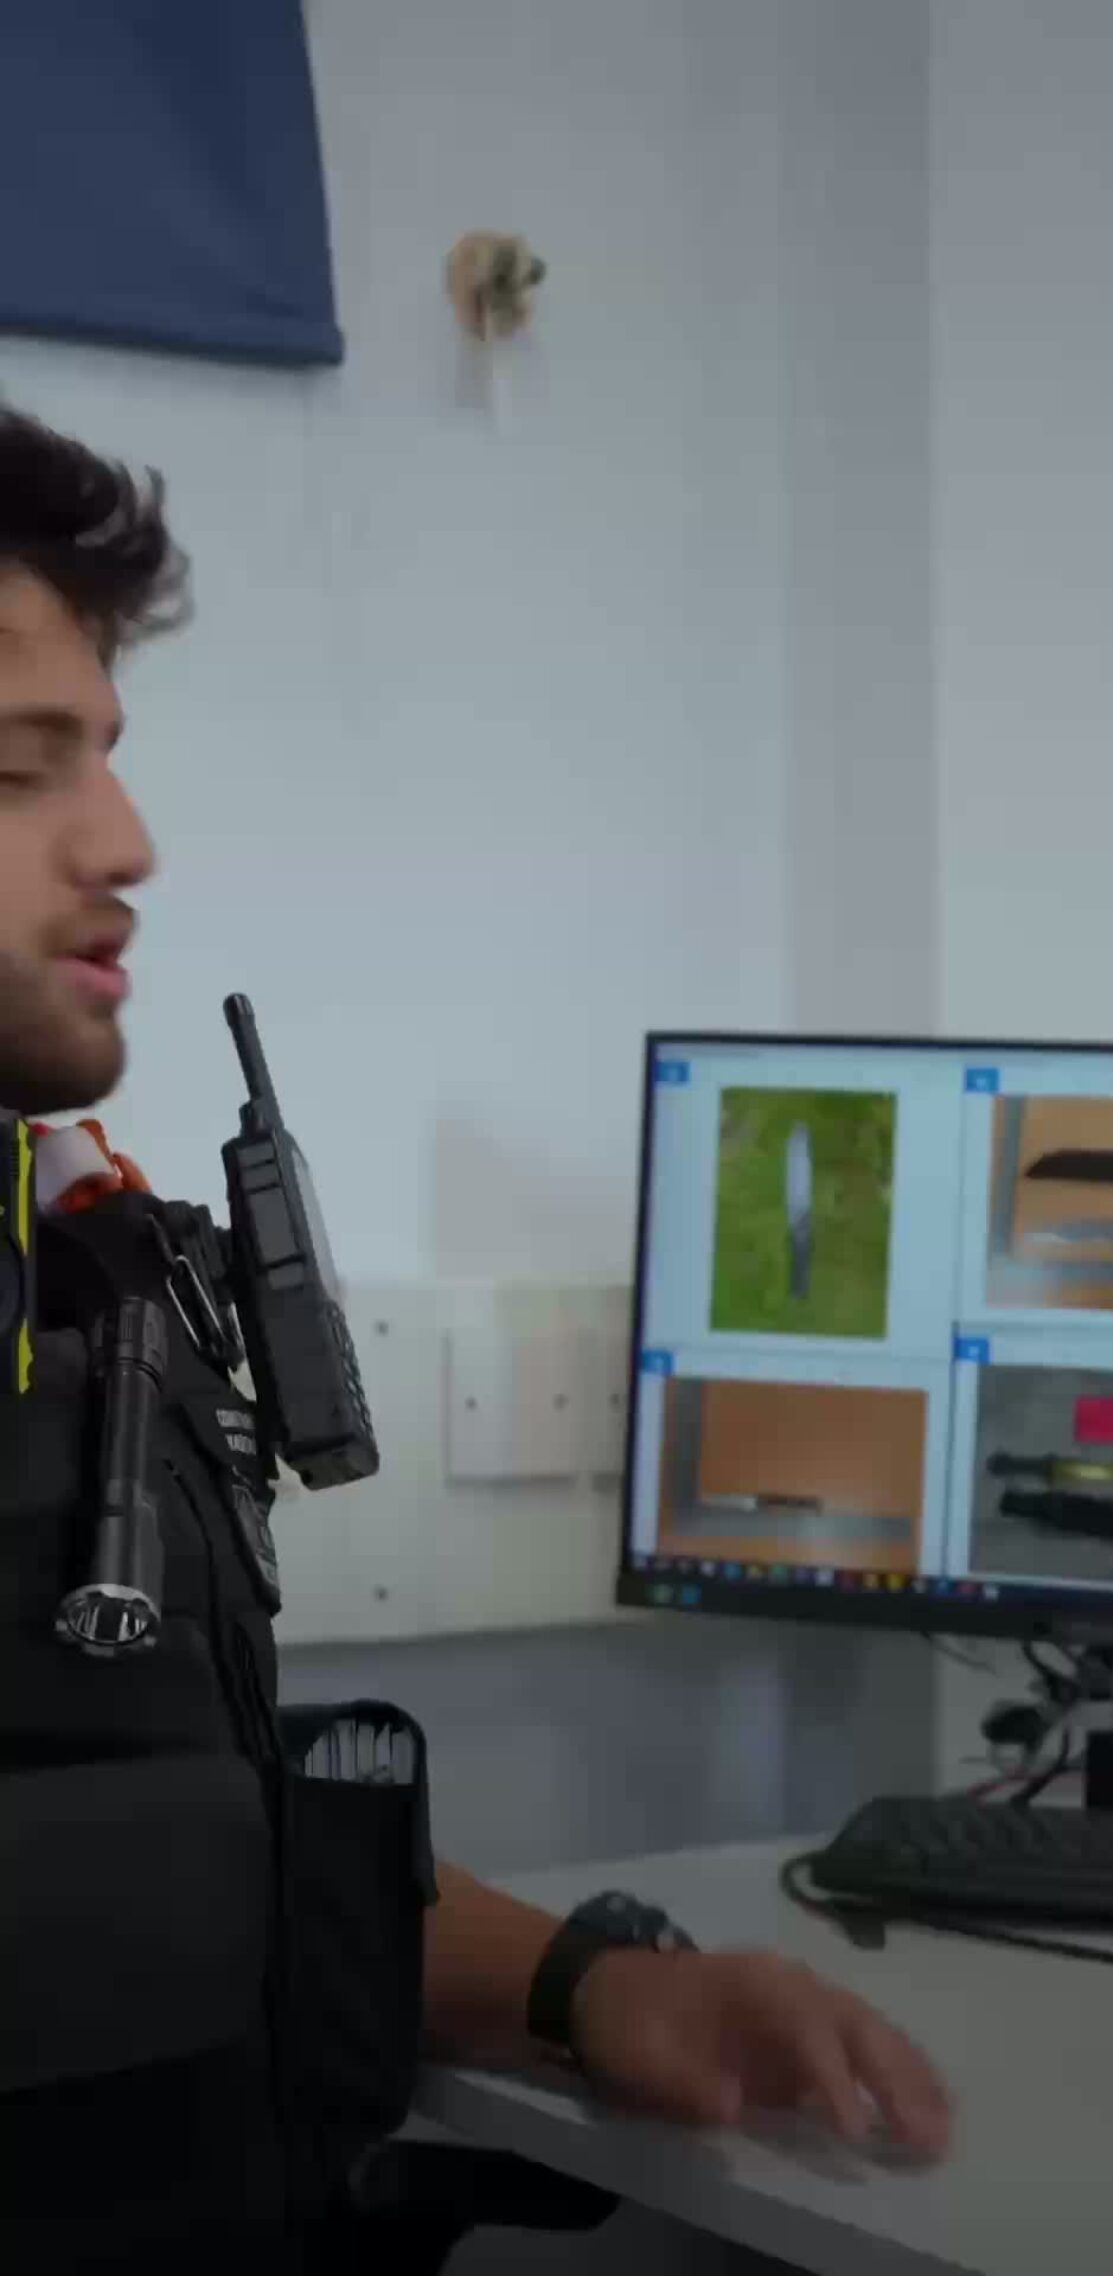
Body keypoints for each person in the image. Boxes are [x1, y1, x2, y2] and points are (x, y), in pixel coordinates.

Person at [0, 407, 950, 2266]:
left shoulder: (84, 1294)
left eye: (106, 756)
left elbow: (176, 1847)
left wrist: (591, 1986)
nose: (130, 840)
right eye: (25, 768)